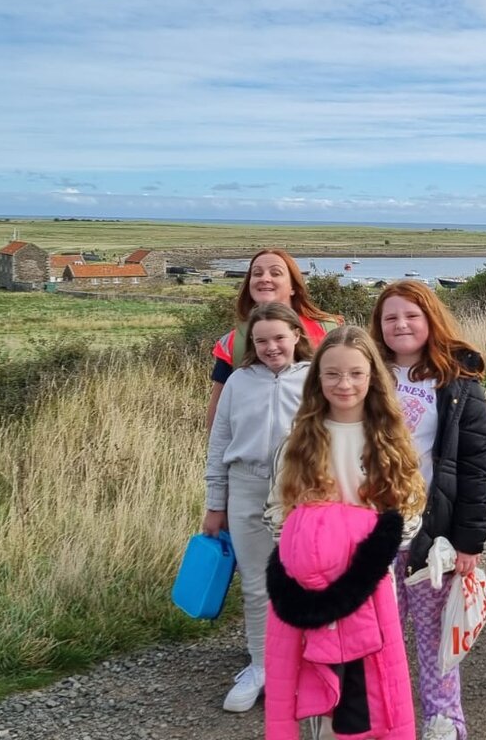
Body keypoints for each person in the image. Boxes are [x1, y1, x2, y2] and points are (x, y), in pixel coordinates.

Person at [263, 326, 426, 740]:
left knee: (373, 699)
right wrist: (312, 550)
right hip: (314, 590)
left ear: (372, 376)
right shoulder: (297, 441)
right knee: (321, 692)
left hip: (369, 588)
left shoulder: (390, 439)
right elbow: (277, 516)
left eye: (355, 373)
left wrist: (353, 541)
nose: (344, 384)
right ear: (317, 378)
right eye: (332, 374)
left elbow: (408, 515)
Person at [369, 280, 486, 740]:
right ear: (378, 327)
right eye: (390, 317)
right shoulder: (365, 373)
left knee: (434, 632)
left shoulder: (458, 382)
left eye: (411, 315)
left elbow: (478, 467)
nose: (401, 324)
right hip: (373, 528)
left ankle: (443, 717)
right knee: (379, 633)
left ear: (430, 320)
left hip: (431, 532)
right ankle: (386, 715)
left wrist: (468, 541)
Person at [202, 302, 313, 712]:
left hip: (300, 490)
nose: (271, 347)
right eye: (261, 340)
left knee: (301, 580)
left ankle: (302, 664)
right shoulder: (238, 382)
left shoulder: (314, 380)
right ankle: (261, 665)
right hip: (245, 487)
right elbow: (218, 446)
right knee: (255, 583)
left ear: (297, 336)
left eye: (280, 337)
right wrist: (216, 504)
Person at [207, 248, 340, 430]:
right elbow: (218, 414)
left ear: (293, 287)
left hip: (316, 451)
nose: (264, 278)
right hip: (253, 455)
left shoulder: (328, 332)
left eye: (275, 273)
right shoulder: (233, 342)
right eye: (257, 273)